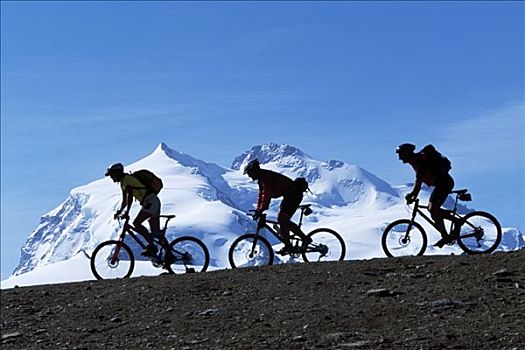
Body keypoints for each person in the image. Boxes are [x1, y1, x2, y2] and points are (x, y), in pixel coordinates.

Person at [105, 163, 173, 263]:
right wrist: (119, 211)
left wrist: (127, 212)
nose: (111, 177)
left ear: (117, 173)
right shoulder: (123, 183)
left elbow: (130, 197)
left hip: (151, 201)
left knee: (137, 223)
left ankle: (152, 246)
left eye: (112, 175)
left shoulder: (127, 180)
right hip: (151, 202)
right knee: (156, 233)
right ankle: (169, 254)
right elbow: (124, 200)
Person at [243, 159, 310, 255]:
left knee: (282, 219)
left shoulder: (265, 177)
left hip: (294, 195)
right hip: (290, 195)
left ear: (254, 171)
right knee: (282, 220)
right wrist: (258, 209)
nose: (249, 176)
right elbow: (261, 195)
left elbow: (266, 194)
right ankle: (290, 244)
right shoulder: (262, 178)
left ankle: (302, 240)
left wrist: (261, 209)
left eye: (249, 173)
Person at [395, 143, 456, 248]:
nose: (399, 157)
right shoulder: (416, 160)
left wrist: (412, 195)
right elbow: (419, 180)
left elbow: (418, 180)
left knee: (433, 209)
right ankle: (445, 235)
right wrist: (413, 195)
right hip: (441, 184)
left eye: (400, 154)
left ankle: (457, 222)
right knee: (433, 210)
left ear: (406, 153)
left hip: (444, 183)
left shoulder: (418, 161)